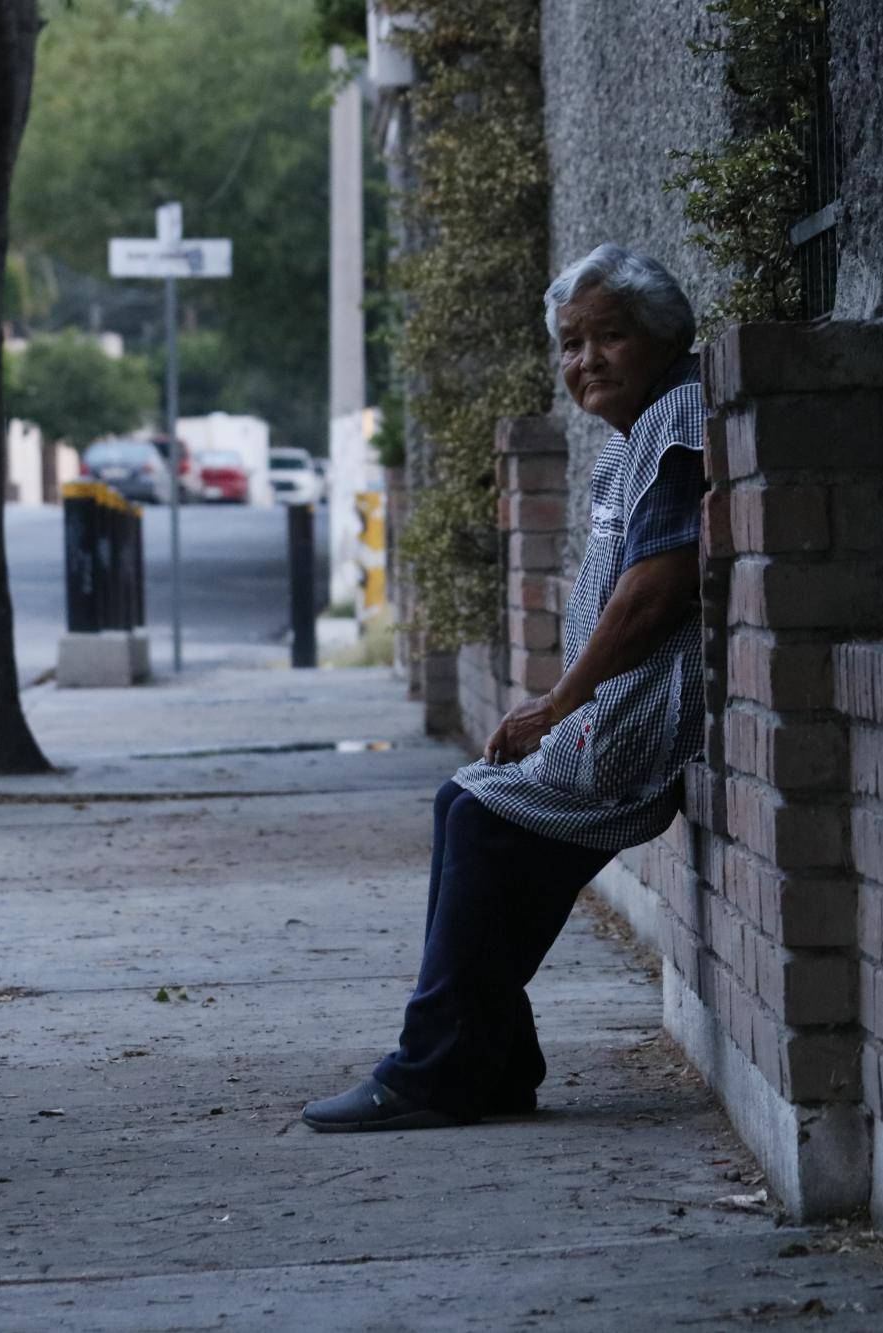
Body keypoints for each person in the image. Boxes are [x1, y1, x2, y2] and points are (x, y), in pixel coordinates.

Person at [303, 244, 709, 1132]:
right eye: (570, 342)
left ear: (664, 336)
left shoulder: (680, 414)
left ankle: (436, 1068)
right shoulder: (635, 436)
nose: (586, 360)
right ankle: (485, 1057)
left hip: (655, 706)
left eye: (611, 336)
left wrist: (558, 704)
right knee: (466, 804)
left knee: (485, 818)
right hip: (618, 703)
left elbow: (654, 595)